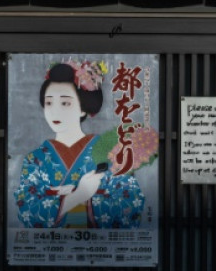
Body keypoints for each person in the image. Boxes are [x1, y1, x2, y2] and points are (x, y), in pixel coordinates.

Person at [14, 61, 145, 228]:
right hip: (50, 251)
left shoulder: (112, 154)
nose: (55, 111)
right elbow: (28, 211)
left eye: (65, 103)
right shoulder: (35, 159)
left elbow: (131, 206)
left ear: (82, 108)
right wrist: (80, 194)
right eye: (49, 103)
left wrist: (62, 196)